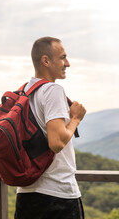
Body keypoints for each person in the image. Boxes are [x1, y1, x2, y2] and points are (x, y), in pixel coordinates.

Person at [15, 37, 87, 219]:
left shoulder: (24, 92)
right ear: (46, 61)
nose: (67, 63)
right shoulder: (53, 91)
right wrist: (75, 119)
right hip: (57, 195)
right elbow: (56, 142)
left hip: (26, 194)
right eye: (62, 57)